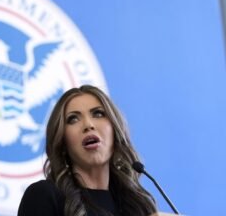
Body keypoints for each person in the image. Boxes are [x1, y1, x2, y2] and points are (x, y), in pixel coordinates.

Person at [17, 85, 157, 216]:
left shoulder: (139, 205)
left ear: (115, 131)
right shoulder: (44, 196)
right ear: (62, 141)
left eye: (98, 114)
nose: (88, 125)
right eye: (73, 119)